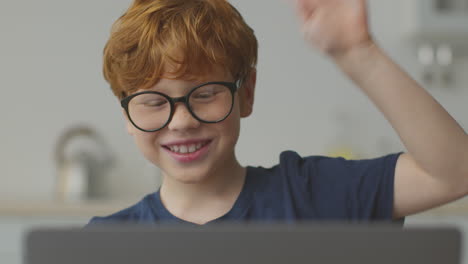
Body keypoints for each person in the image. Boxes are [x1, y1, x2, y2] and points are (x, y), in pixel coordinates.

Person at [88, 0, 468, 226]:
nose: (182, 121)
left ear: (247, 93)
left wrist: (358, 55)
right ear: (126, 114)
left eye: (205, 94)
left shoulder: (315, 195)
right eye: (155, 102)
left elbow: (454, 174)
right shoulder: (100, 247)